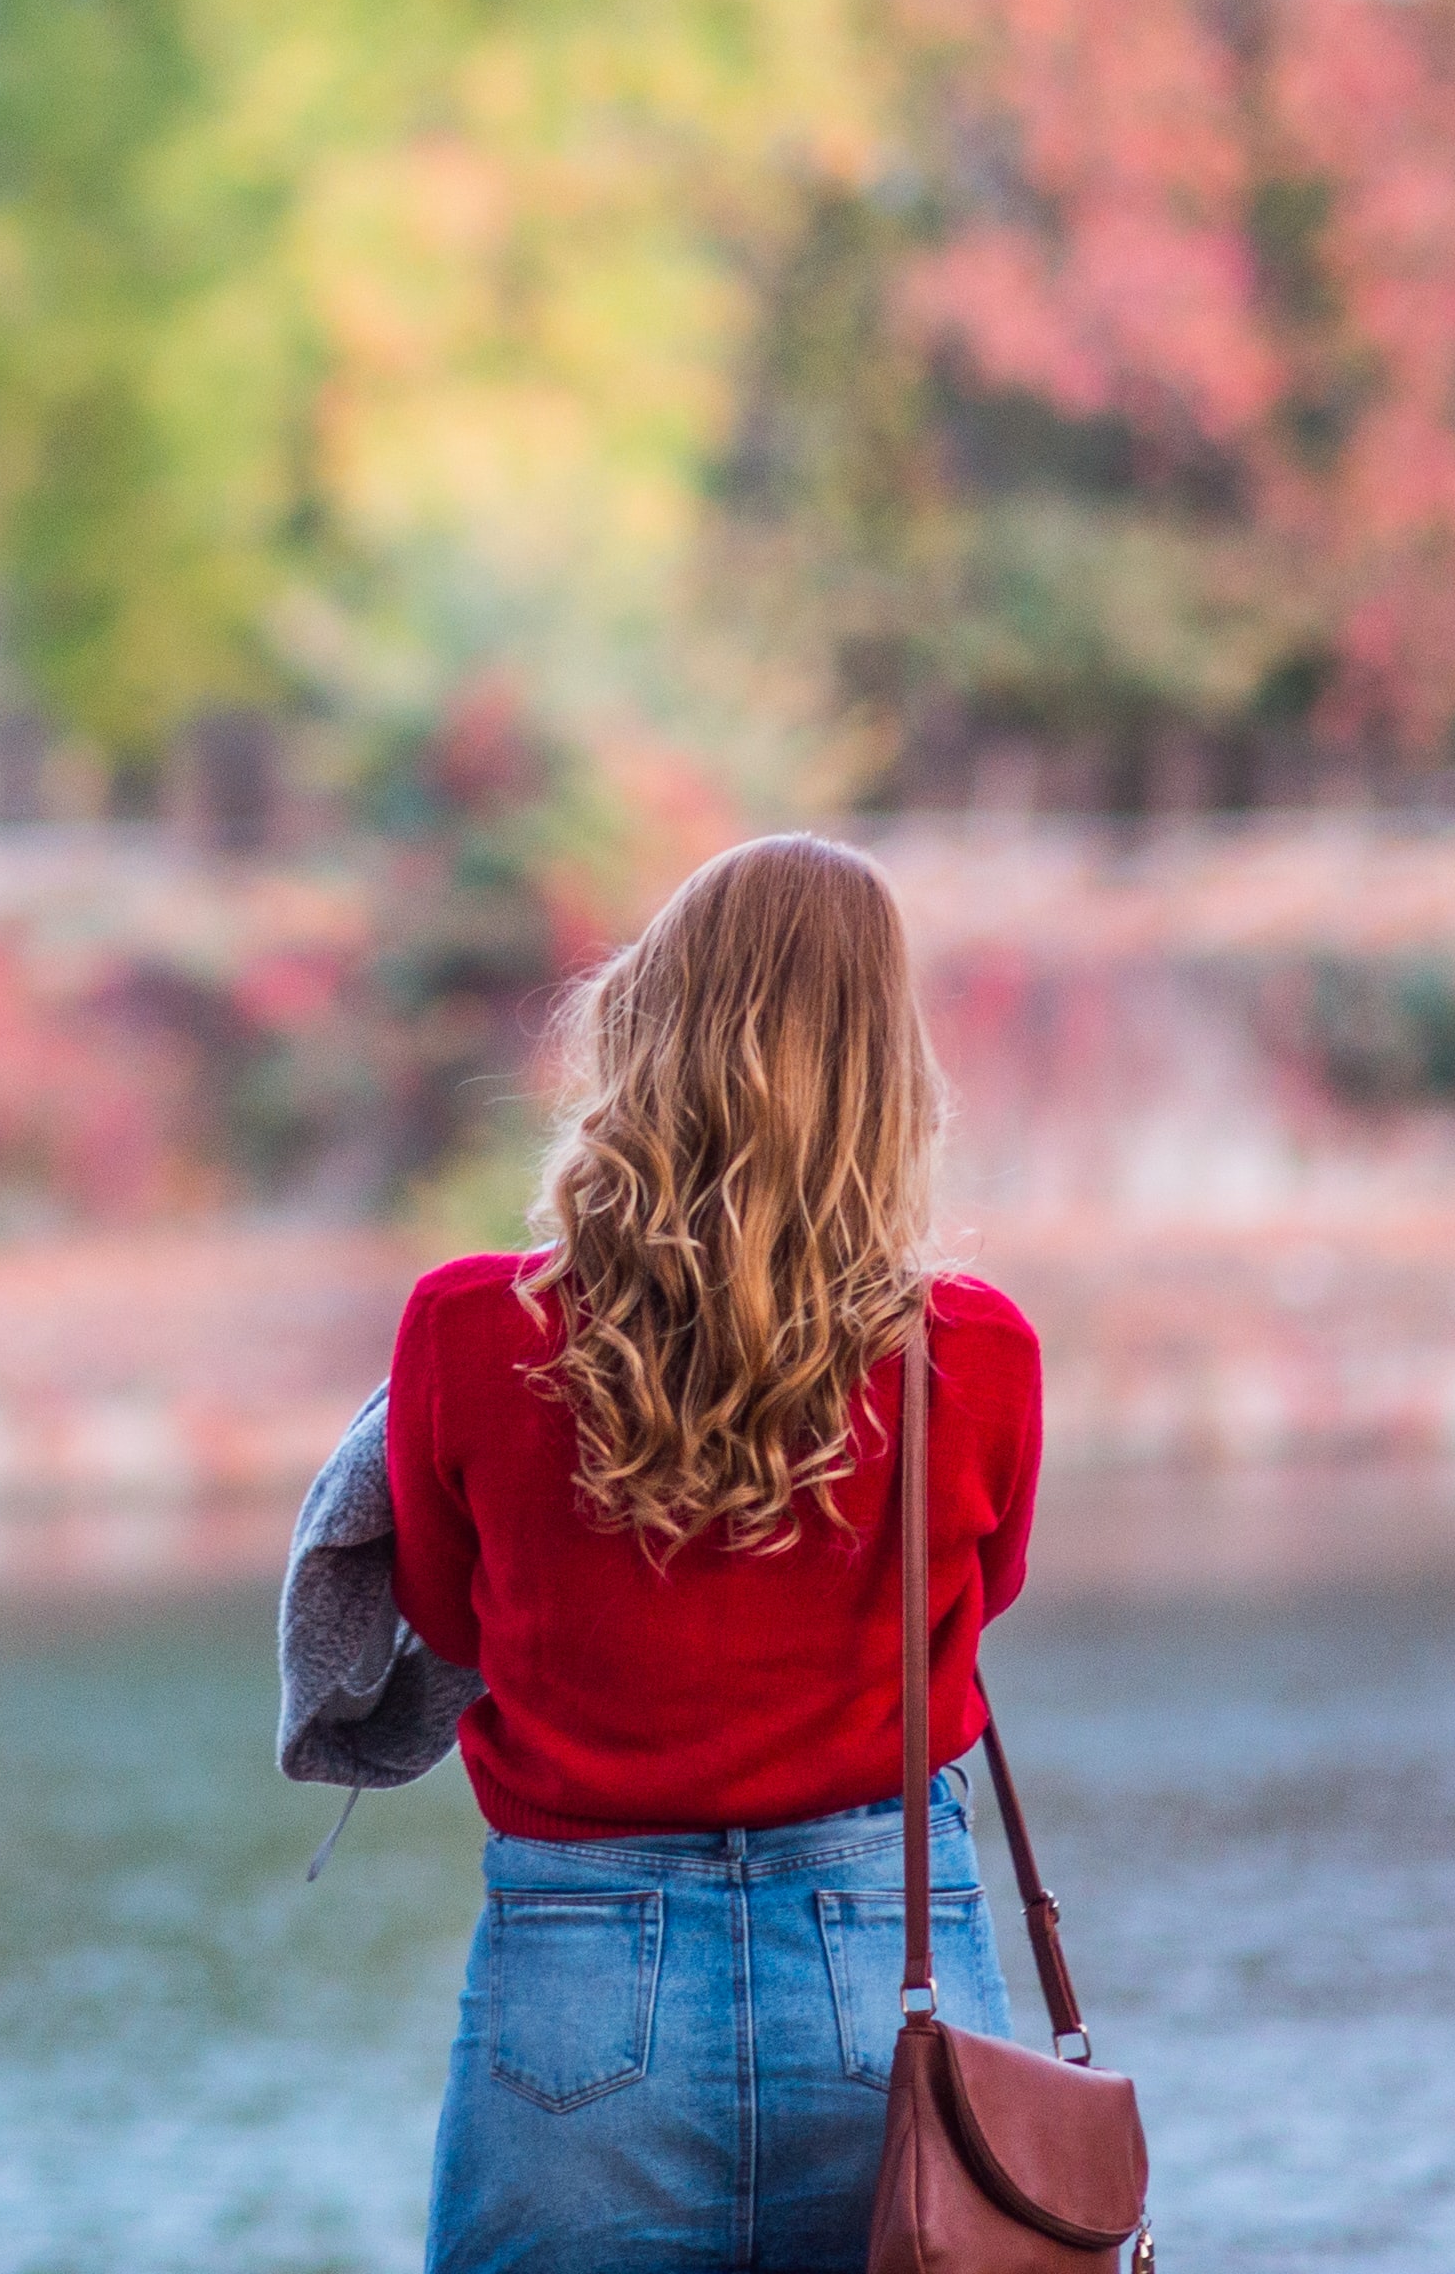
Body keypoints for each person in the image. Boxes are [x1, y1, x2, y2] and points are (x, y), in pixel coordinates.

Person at [382, 831, 1046, 2274]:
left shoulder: (468, 1333)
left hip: (579, 1974)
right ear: (893, 1075)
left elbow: (442, 1617)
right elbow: (972, 1611)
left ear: (645, 1029)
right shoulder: (977, 1353)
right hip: (891, 1964)